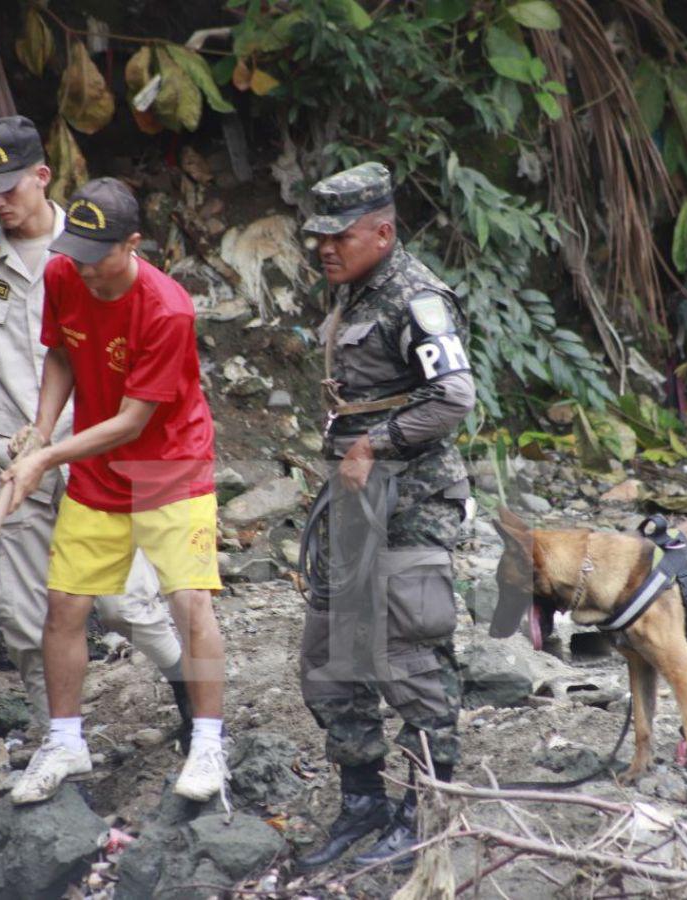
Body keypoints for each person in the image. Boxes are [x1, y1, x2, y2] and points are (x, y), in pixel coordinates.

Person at [0, 116, 192, 742]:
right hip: (12, 455)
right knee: (23, 618)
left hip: (94, 458)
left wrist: (58, 445)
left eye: (10, 188)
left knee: (125, 606)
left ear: (42, 177)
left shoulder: (93, 250)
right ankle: (59, 741)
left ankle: (191, 691)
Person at [0, 176, 229, 805]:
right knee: (65, 605)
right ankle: (66, 740)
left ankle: (208, 741)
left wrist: (46, 458)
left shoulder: (168, 308)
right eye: (76, 251)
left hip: (169, 466)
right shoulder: (65, 274)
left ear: (132, 244)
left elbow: (132, 422)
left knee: (189, 603)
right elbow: (62, 355)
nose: (85, 269)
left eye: (98, 256)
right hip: (96, 468)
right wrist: (39, 429)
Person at [297, 161, 475, 871]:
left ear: (383, 230)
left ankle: (425, 808)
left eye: (339, 236)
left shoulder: (417, 298)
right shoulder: (352, 288)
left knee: (409, 654)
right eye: (318, 237)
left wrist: (375, 441)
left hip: (413, 498)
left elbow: (454, 395)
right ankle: (363, 799)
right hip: (355, 494)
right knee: (329, 650)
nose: (325, 249)